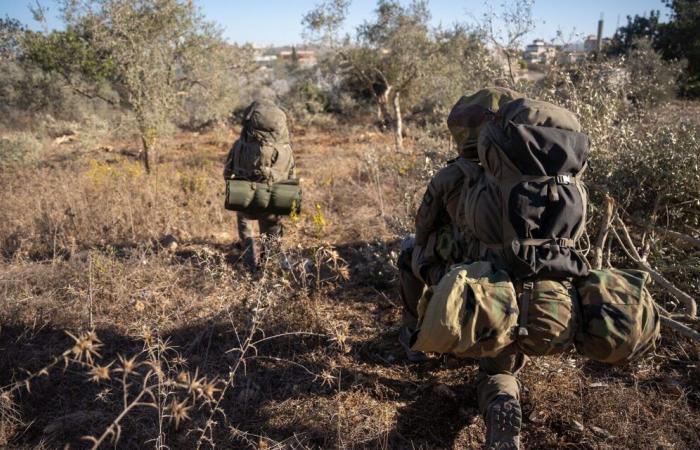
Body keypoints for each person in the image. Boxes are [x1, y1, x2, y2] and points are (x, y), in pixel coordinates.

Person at [397, 87, 521, 362]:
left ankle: (414, 334)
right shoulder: (534, 171)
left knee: (408, 252)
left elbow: (423, 228)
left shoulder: (451, 176)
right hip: (522, 276)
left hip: (469, 277)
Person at [223, 100, 296, 268]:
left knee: (244, 223)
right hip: (273, 199)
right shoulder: (285, 148)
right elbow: (291, 175)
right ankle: (269, 265)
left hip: (244, 198)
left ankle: (249, 262)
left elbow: (227, 172)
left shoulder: (239, 145)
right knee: (271, 230)